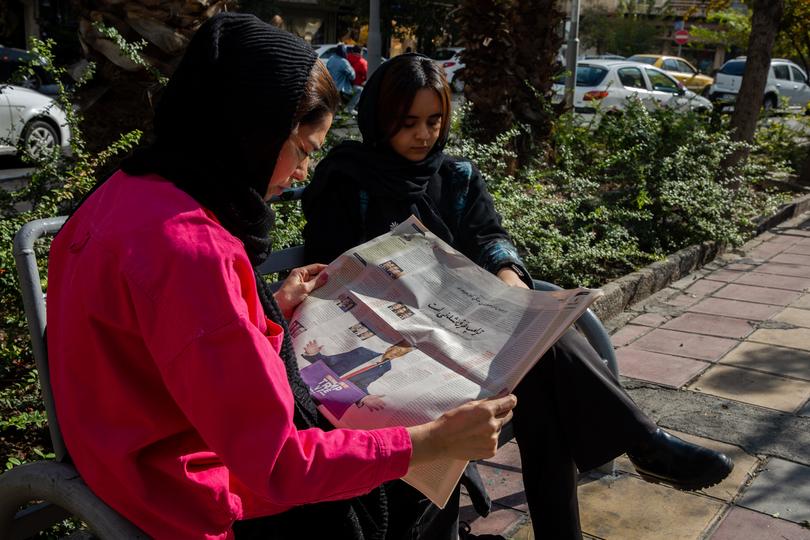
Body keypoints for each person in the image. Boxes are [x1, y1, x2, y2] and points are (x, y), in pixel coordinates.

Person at [46, 16, 518, 540]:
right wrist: (429, 442)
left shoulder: (119, 196)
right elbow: (280, 468)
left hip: (123, 462)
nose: (300, 174)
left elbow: (158, 338)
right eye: (303, 150)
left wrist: (266, 303)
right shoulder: (197, 253)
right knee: (419, 480)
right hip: (191, 498)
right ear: (253, 132)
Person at [302, 53, 735, 540]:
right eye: (407, 123)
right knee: (542, 373)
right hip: (390, 347)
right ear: (380, 121)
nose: (423, 136)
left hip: (466, 336)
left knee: (536, 361)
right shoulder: (346, 180)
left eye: (433, 120)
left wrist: (509, 274)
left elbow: (490, 237)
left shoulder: (456, 176)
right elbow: (330, 269)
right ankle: (642, 442)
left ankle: (631, 454)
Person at [326, 43, 361, 114]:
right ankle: (349, 109)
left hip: (330, 87)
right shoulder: (343, 62)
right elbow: (352, 76)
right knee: (360, 90)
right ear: (344, 52)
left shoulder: (331, 59)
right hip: (340, 89)